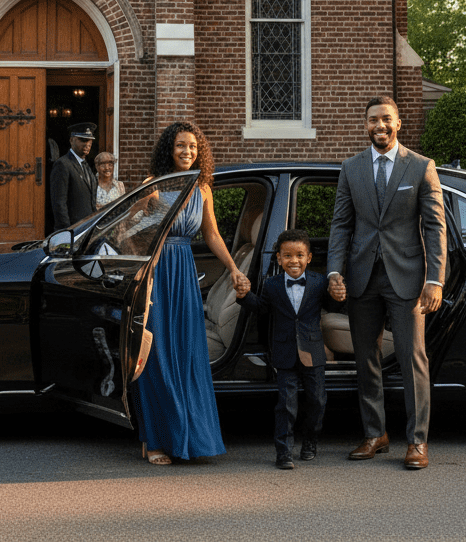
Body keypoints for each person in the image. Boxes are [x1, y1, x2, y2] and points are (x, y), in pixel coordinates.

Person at [327, 96, 447, 470]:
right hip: (362, 278)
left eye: (386, 120)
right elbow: (341, 224)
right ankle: (375, 434)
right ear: (366, 125)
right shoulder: (351, 168)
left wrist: (435, 279)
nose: (379, 126)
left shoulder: (421, 167)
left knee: (413, 359)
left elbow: (434, 226)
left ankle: (417, 440)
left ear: (398, 123)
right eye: (373, 120)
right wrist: (334, 271)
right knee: (366, 360)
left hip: (408, 278)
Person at [135, 120, 250, 465]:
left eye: (193, 147)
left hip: (183, 271)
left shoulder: (202, 189)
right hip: (157, 270)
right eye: (181, 146)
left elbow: (212, 236)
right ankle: (154, 440)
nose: (187, 152)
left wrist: (233, 268)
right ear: (169, 150)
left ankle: (188, 438)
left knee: (186, 353)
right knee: (157, 354)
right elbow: (132, 231)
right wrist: (148, 209)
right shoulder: (152, 185)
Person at [235, 228, 331, 469]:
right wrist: (245, 295)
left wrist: (340, 295)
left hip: (312, 350)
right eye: (287, 256)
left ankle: (310, 440)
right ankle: (283, 451)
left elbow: (333, 305)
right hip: (284, 352)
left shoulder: (320, 282)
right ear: (279, 258)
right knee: (286, 404)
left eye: (299, 255)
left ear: (309, 257)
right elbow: (261, 307)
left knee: (317, 400)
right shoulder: (272, 285)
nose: (294, 261)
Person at [49, 122, 97, 232]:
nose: (87, 144)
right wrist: (67, 231)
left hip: (87, 229)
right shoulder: (63, 164)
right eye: (83, 140)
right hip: (72, 231)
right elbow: (59, 203)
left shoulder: (87, 166)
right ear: (71, 140)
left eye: (90, 141)